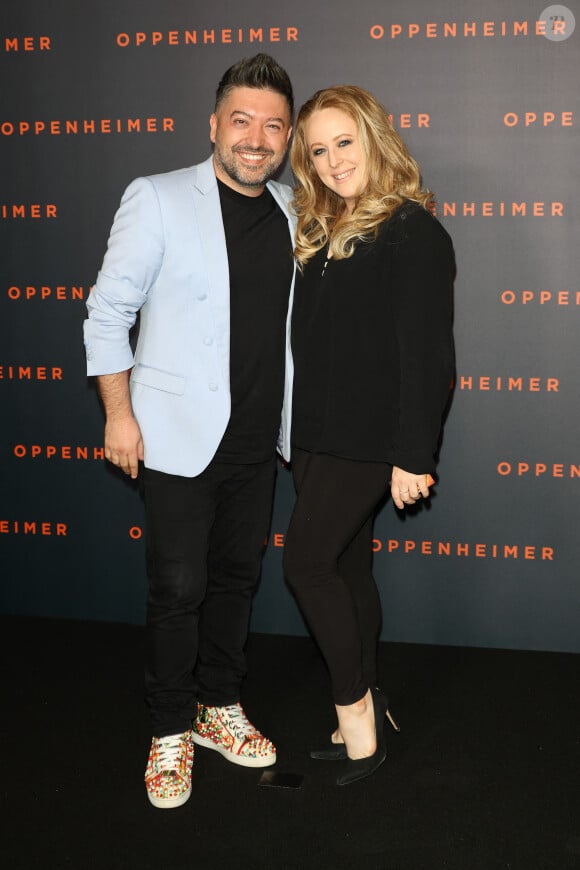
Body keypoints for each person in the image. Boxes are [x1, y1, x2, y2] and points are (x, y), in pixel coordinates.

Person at [83, 54, 296, 809]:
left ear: (288, 136)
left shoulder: (295, 211)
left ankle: (219, 707)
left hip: (256, 442)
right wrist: (118, 414)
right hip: (172, 435)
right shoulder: (160, 197)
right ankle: (169, 728)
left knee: (238, 580)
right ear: (214, 124)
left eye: (273, 125)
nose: (256, 137)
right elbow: (108, 312)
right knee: (179, 587)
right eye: (242, 120)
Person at [284, 85, 455, 786]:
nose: (332, 161)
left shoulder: (412, 230)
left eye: (343, 142)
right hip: (316, 434)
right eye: (318, 150)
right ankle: (374, 699)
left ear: (374, 137)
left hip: (368, 436)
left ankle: (354, 715)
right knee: (349, 568)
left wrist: (414, 455)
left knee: (306, 565)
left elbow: (429, 358)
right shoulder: (323, 228)